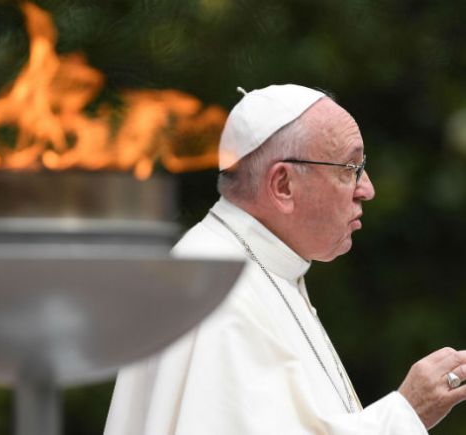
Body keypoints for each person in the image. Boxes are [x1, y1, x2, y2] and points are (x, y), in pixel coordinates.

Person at [104, 84, 466, 434]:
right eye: (349, 168)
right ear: (283, 185)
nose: (367, 189)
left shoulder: (253, 267)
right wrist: (404, 416)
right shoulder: (215, 292)